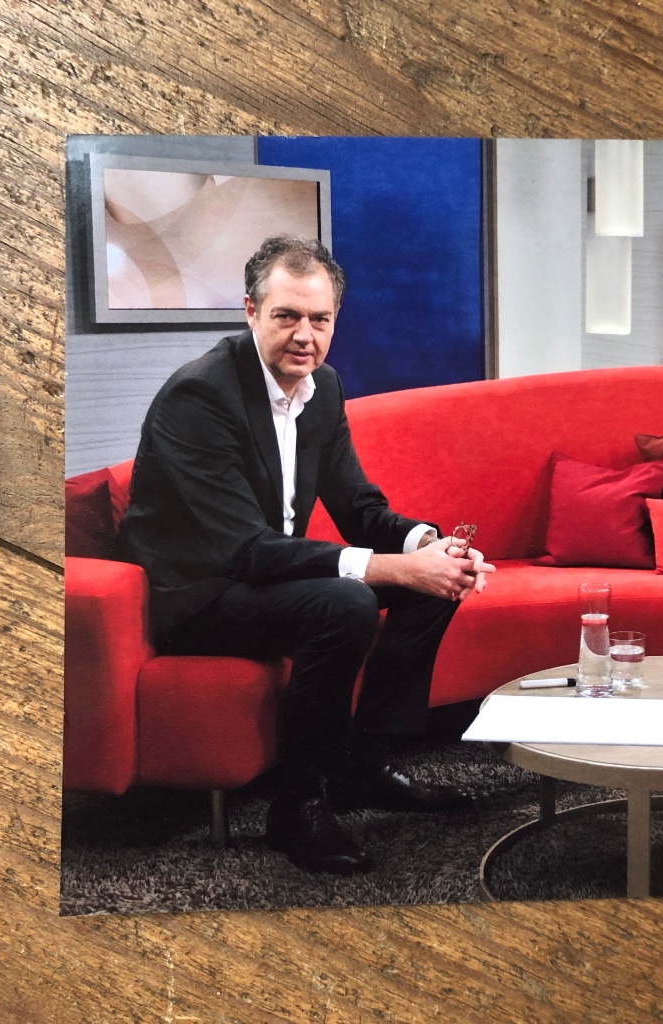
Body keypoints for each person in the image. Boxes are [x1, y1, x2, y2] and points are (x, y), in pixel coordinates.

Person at [117, 235, 494, 875]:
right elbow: (247, 548)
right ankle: (297, 806)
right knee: (344, 604)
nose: (304, 336)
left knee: (435, 583)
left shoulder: (324, 387)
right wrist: (392, 568)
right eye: (286, 316)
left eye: (319, 320)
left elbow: (359, 507)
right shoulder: (200, 397)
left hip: (264, 575)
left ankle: (365, 766)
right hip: (199, 594)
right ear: (250, 311)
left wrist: (430, 547)